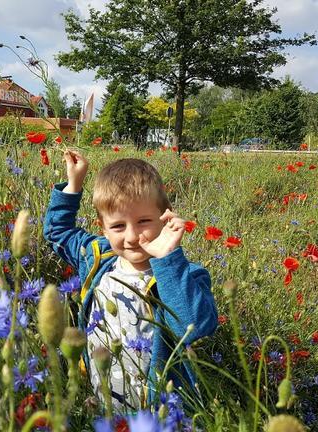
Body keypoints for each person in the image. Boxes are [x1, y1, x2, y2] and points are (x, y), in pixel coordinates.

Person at [43, 150, 217, 412]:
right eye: (118, 226)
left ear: (166, 216)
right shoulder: (98, 257)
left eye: (144, 221)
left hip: (158, 410)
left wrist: (168, 258)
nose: (132, 236)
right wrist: (73, 185)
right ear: (102, 227)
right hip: (104, 398)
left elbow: (194, 326)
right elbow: (57, 232)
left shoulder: (184, 274)